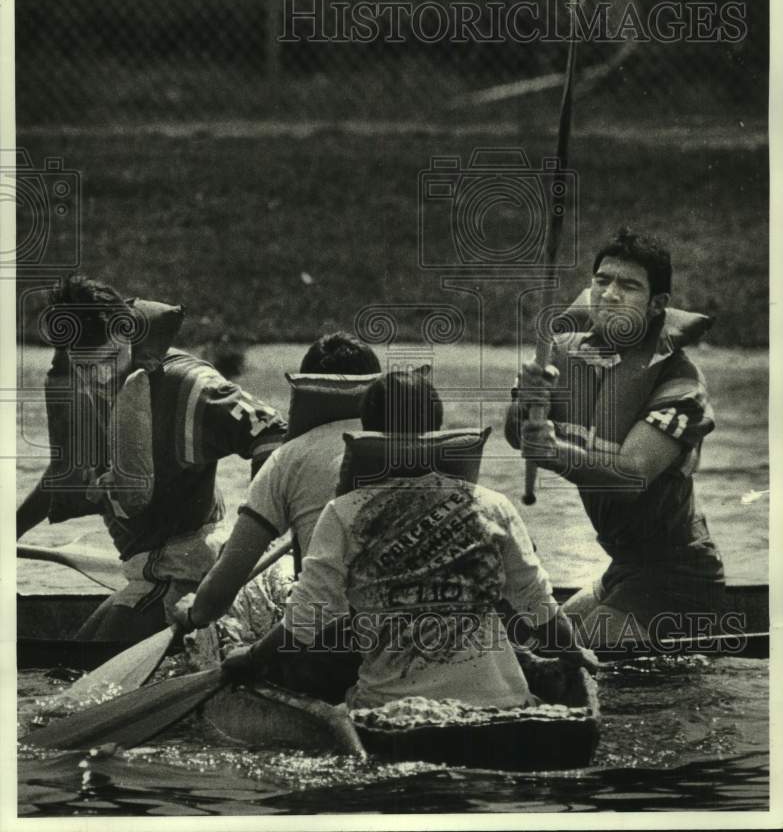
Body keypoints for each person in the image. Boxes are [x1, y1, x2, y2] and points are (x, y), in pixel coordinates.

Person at [222, 369, 596, 710]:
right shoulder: (494, 505)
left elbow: (304, 622)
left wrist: (252, 658)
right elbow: (537, 605)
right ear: (435, 427)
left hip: (392, 708)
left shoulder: (343, 512)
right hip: (504, 702)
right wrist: (576, 655)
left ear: (370, 430)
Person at [16, 275, 288, 642]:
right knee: (73, 658)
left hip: (188, 566)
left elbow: (272, 432)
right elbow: (66, 474)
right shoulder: (74, 376)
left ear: (128, 332)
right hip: (144, 571)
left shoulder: (188, 385)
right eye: (85, 366)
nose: (100, 377)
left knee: (85, 666)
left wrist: (255, 536)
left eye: (111, 359)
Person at [505, 227, 725, 648]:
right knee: (533, 646)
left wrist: (554, 451)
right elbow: (518, 436)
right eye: (602, 280)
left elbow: (631, 477)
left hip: (679, 578)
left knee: (574, 658)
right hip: (623, 568)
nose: (609, 294)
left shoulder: (680, 383)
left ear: (657, 303)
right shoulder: (565, 355)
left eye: (628, 285)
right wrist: (526, 405)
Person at [171, 332, 382, 644]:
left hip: (328, 643)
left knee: (258, 590)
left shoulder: (288, 459)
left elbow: (228, 580)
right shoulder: (412, 450)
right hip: (406, 633)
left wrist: (193, 612)